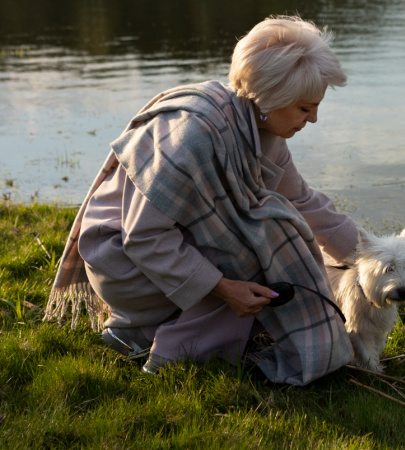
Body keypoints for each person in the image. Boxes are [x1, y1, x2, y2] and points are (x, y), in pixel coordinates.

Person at [45, 16, 358, 378]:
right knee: (258, 255)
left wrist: (372, 257)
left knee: (268, 240)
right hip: (123, 260)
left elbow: (302, 202)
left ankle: (138, 331)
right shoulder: (191, 136)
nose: (315, 119)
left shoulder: (263, 131)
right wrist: (225, 289)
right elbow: (144, 237)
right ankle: (173, 349)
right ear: (273, 96)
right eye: (306, 108)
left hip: (157, 251)